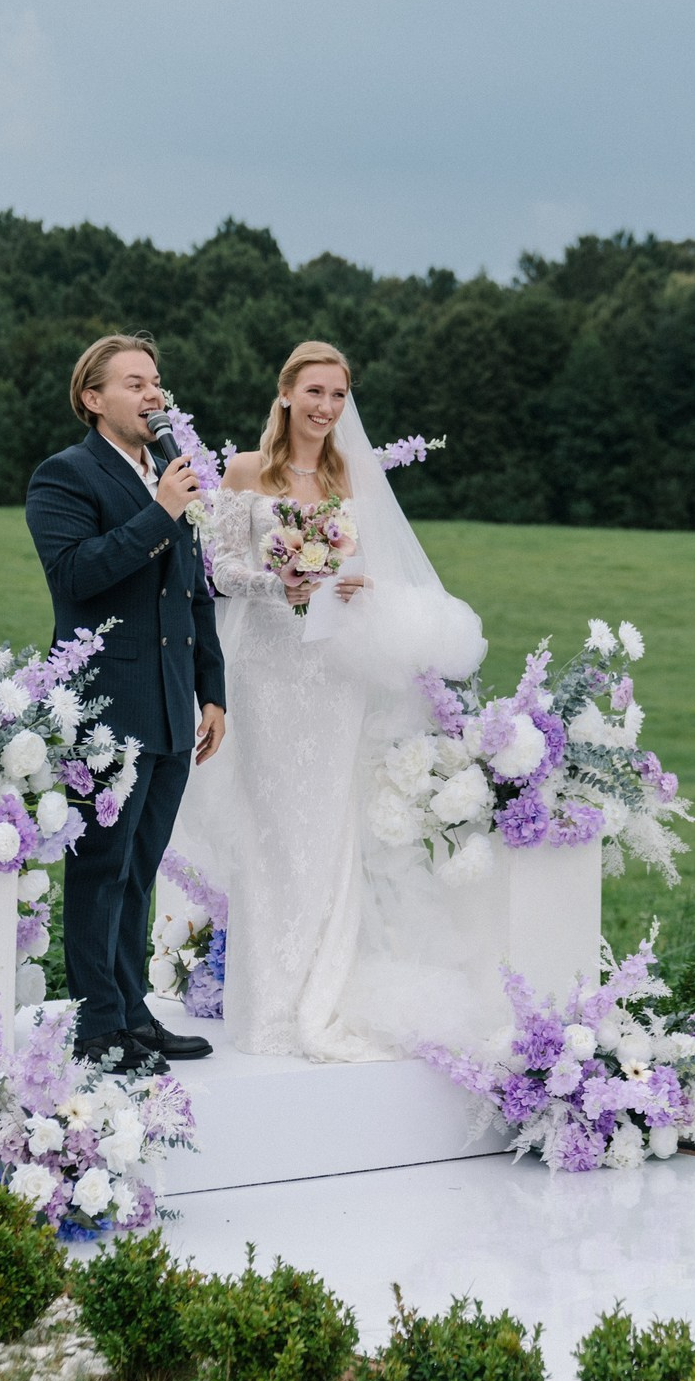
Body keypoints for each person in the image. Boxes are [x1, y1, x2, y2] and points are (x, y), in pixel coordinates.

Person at [166, 341, 501, 1061]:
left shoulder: (352, 473)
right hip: (265, 667)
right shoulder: (246, 471)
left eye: (339, 394)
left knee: (325, 827)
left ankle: (322, 991)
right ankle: (267, 1009)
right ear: (286, 393)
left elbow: (370, 566)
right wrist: (276, 583)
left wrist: (356, 585)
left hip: (332, 671)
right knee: (271, 830)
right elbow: (219, 571)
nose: (326, 406)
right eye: (314, 391)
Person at [26, 333, 227, 1072]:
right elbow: (79, 575)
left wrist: (214, 689)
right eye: (136, 382)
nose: (154, 394)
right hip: (105, 702)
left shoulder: (169, 473)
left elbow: (194, 591)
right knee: (101, 867)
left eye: (157, 382)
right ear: (93, 397)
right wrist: (160, 513)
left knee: (141, 866)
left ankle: (133, 1011)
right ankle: (96, 1026)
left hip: (175, 704)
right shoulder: (64, 477)